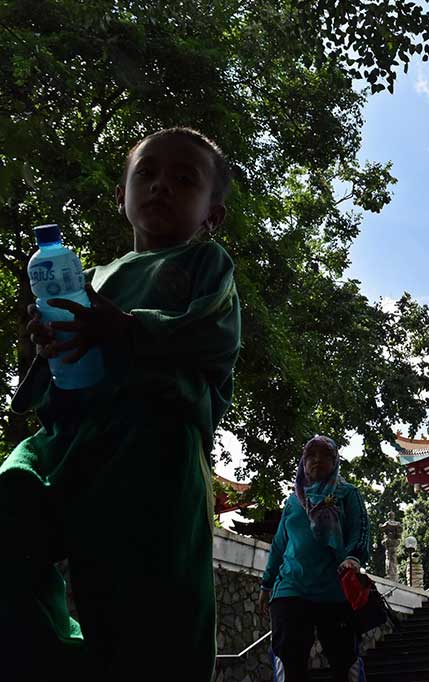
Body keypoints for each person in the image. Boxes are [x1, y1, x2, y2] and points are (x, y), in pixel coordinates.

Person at [0, 127, 241, 681]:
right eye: (146, 173)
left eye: (185, 179)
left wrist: (123, 327)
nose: (161, 185)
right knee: (9, 511)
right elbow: (57, 383)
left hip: (155, 448)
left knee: (156, 616)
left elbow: (212, 336)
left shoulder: (207, 264)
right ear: (120, 195)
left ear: (212, 215)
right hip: (69, 441)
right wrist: (47, 343)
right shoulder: (87, 278)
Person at [260, 435, 373, 682]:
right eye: (311, 455)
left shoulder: (348, 493)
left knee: (346, 663)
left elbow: (361, 530)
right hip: (290, 589)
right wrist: (266, 584)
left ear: (335, 462)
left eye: (325, 455)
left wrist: (353, 557)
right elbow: (279, 545)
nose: (317, 460)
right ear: (303, 462)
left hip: (336, 591)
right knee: (288, 661)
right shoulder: (293, 501)